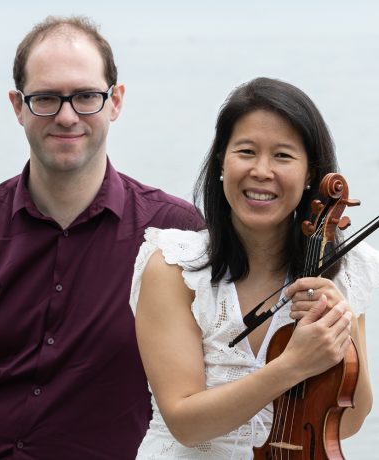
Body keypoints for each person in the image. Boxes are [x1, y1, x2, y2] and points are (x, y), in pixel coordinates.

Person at [0, 15, 204, 460]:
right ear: (18, 106)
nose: (67, 116)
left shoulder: (176, 234)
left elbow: (217, 378)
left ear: (116, 101)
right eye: (46, 98)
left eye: (87, 96)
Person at [130, 77, 379, 458]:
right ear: (220, 161)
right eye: (246, 151)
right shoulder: (172, 267)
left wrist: (342, 331)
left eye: (283, 156)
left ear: (310, 173)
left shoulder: (343, 271)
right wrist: (291, 366)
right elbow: (185, 423)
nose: (262, 171)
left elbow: (348, 420)